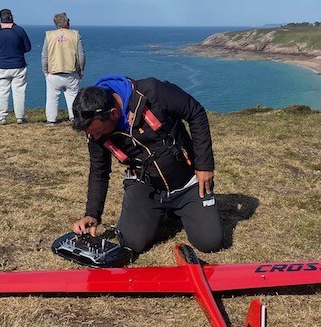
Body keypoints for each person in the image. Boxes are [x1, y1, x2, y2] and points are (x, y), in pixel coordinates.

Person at [71, 75, 223, 254]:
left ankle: (179, 210)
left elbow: (195, 112)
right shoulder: (94, 129)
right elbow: (99, 172)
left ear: (113, 113)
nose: (95, 138)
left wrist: (204, 165)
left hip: (188, 181)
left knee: (210, 242)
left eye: (98, 132)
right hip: (146, 185)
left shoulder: (153, 92)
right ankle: (160, 213)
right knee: (130, 243)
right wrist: (92, 213)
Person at [0, 8, 31, 124]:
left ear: (0, 17)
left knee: (2, 92)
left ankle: (2, 117)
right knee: (19, 92)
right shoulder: (19, 30)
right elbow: (28, 48)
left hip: (2, 66)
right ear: (11, 17)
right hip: (19, 66)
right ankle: (20, 117)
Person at [41, 12, 85, 125]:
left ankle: (51, 119)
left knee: (52, 98)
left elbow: (44, 55)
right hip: (71, 72)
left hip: (54, 72)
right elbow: (81, 55)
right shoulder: (75, 34)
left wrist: (45, 70)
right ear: (67, 22)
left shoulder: (49, 35)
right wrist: (81, 69)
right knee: (73, 97)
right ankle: (74, 118)